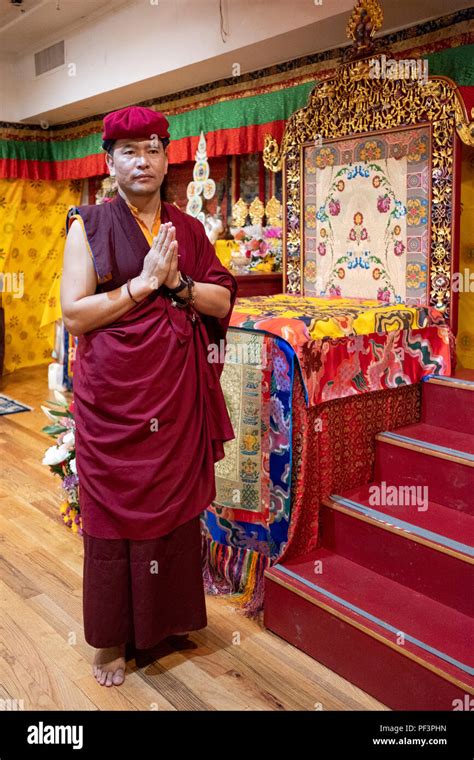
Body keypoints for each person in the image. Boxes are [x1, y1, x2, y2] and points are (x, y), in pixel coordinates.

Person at [60, 105, 238, 687]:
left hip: (175, 395)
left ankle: (168, 622)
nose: (144, 161)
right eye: (129, 151)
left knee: (176, 516)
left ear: (168, 159)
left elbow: (221, 301)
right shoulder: (87, 225)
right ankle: (111, 641)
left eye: (154, 149)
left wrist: (180, 284)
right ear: (110, 163)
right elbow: (75, 313)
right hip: (116, 401)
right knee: (113, 520)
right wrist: (140, 287)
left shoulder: (187, 229)